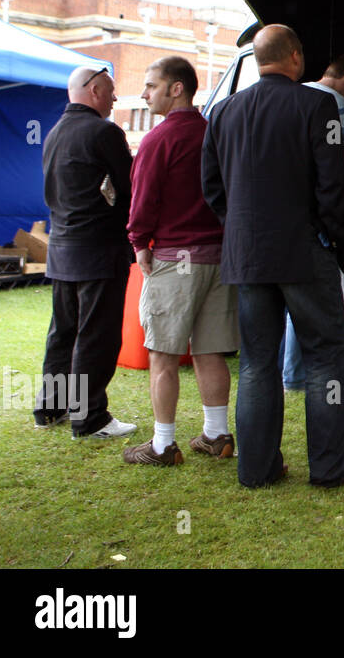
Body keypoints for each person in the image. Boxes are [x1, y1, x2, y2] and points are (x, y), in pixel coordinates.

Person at [200, 25, 344, 487]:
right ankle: (332, 466)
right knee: (325, 358)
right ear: (295, 57)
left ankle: (257, 468)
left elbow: (211, 186)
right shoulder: (317, 104)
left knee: (257, 363)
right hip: (305, 252)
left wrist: (244, 229)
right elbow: (331, 187)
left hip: (248, 256)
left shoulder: (223, 111)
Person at [122, 57, 237, 466]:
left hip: (175, 257)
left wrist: (138, 243)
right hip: (219, 257)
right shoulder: (216, 134)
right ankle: (216, 434)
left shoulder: (158, 139)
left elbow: (143, 201)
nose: (143, 93)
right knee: (211, 351)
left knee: (163, 355)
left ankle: (161, 445)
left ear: (177, 88)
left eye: (151, 86)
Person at [33, 66, 137, 439]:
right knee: (97, 334)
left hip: (62, 248)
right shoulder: (103, 131)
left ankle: (51, 407)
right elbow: (131, 186)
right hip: (97, 250)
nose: (114, 99)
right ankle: (90, 418)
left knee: (64, 331)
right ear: (94, 90)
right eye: (110, 92)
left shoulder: (55, 132)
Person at [281, 54, 344, 393]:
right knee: (309, 306)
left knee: (285, 303)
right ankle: (295, 376)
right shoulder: (338, 105)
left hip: (283, 216)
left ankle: (285, 371)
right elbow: (341, 164)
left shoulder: (296, 95)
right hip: (315, 221)